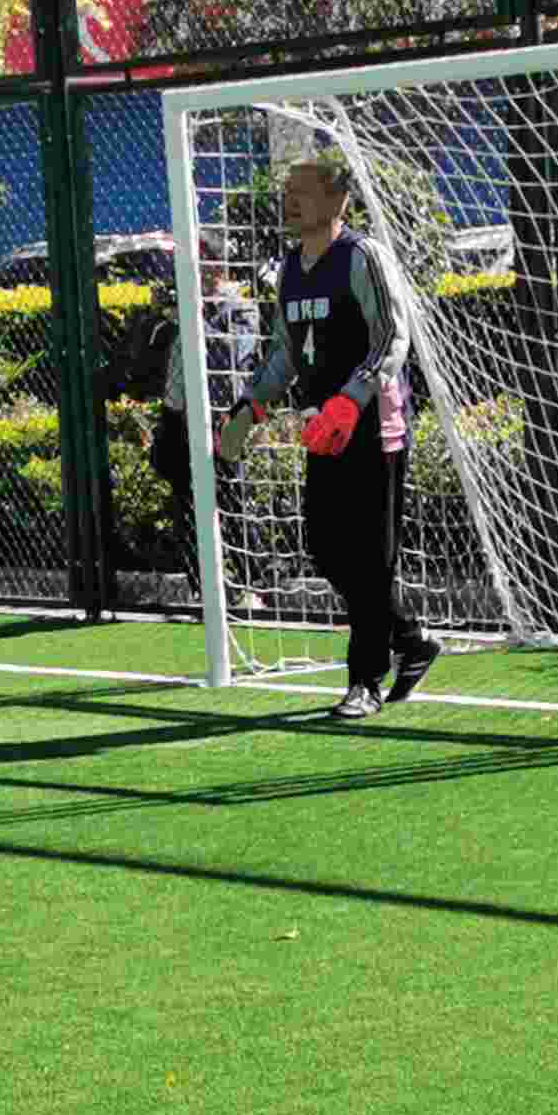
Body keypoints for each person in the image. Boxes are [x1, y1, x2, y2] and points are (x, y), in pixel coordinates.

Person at [222, 156, 441, 718]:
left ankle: (365, 681)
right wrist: (252, 403)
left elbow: (392, 338)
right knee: (324, 547)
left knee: (371, 559)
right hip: (323, 433)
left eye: (301, 191)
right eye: (286, 191)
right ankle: (410, 638)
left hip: (373, 428)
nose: (290, 201)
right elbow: (285, 353)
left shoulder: (363, 257)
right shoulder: (288, 270)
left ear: (337, 199)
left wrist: (352, 398)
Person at [95, 228, 261, 598]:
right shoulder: (174, 306)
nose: (189, 269)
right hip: (178, 418)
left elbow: (228, 356)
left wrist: (194, 318)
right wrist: (157, 319)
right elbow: (139, 364)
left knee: (232, 503)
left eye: (200, 261)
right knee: (185, 508)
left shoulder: (239, 309)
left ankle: (254, 583)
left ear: (217, 267)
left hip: (220, 420)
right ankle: (203, 587)